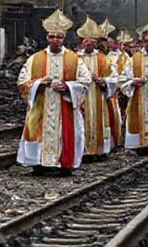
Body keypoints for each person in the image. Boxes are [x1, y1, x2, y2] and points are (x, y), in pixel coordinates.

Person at [16, 9, 91, 175]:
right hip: (41, 105)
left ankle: (64, 164)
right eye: (51, 36)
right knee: (37, 132)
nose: (55, 40)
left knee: (64, 133)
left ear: (64, 38)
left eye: (59, 37)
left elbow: (85, 80)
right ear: (47, 37)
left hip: (64, 105)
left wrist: (67, 87)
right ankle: (39, 164)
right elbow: (22, 81)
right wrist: (38, 84)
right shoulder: (35, 59)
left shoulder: (73, 59)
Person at [76, 17, 117, 159]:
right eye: (87, 41)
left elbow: (114, 77)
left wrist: (103, 81)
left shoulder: (102, 58)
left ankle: (99, 150)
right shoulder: (75, 58)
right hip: (82, 96)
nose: (90, 44)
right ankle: (83, 150)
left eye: (93, 42)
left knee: (99, 120)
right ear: (82, 42)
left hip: (98, 95)